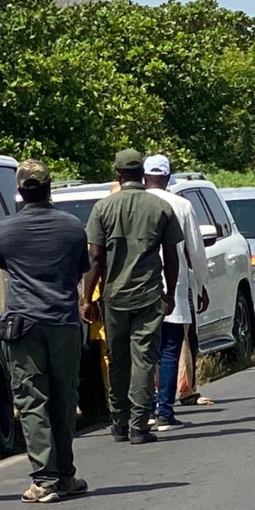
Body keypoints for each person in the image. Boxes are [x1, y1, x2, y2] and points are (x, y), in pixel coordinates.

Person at [0, 159, 90, 504]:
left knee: (32, 399)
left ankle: (45, 479)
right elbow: (79, 269)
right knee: (65, 398)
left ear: (20, 191)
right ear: (49, 187)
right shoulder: (73, 227)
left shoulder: (4, 230)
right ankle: (65, 475)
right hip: (63, 320)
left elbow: (4, 265)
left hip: (24, 323)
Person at [82, 149, 183, 444]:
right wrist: (171, 293)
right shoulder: (161, 207)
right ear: (142, 174)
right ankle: (139, 425)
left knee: (117, 358)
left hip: (114, 296)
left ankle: (119, 421)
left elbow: (95, 257)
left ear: (118, 175)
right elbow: (172, 257)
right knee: (144, 359)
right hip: (149, 294)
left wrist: (87, 298)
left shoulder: (103, 208)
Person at [142, 154, 209, 430]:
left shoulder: (135, 203)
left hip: (140, 288)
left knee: (144, 351)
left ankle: (145, 410)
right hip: (175, 285)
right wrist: (201, 285)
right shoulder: (182, 205)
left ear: (144, 176)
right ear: (168, 178)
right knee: (170, 349)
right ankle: (165, 412)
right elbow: (195, 249)